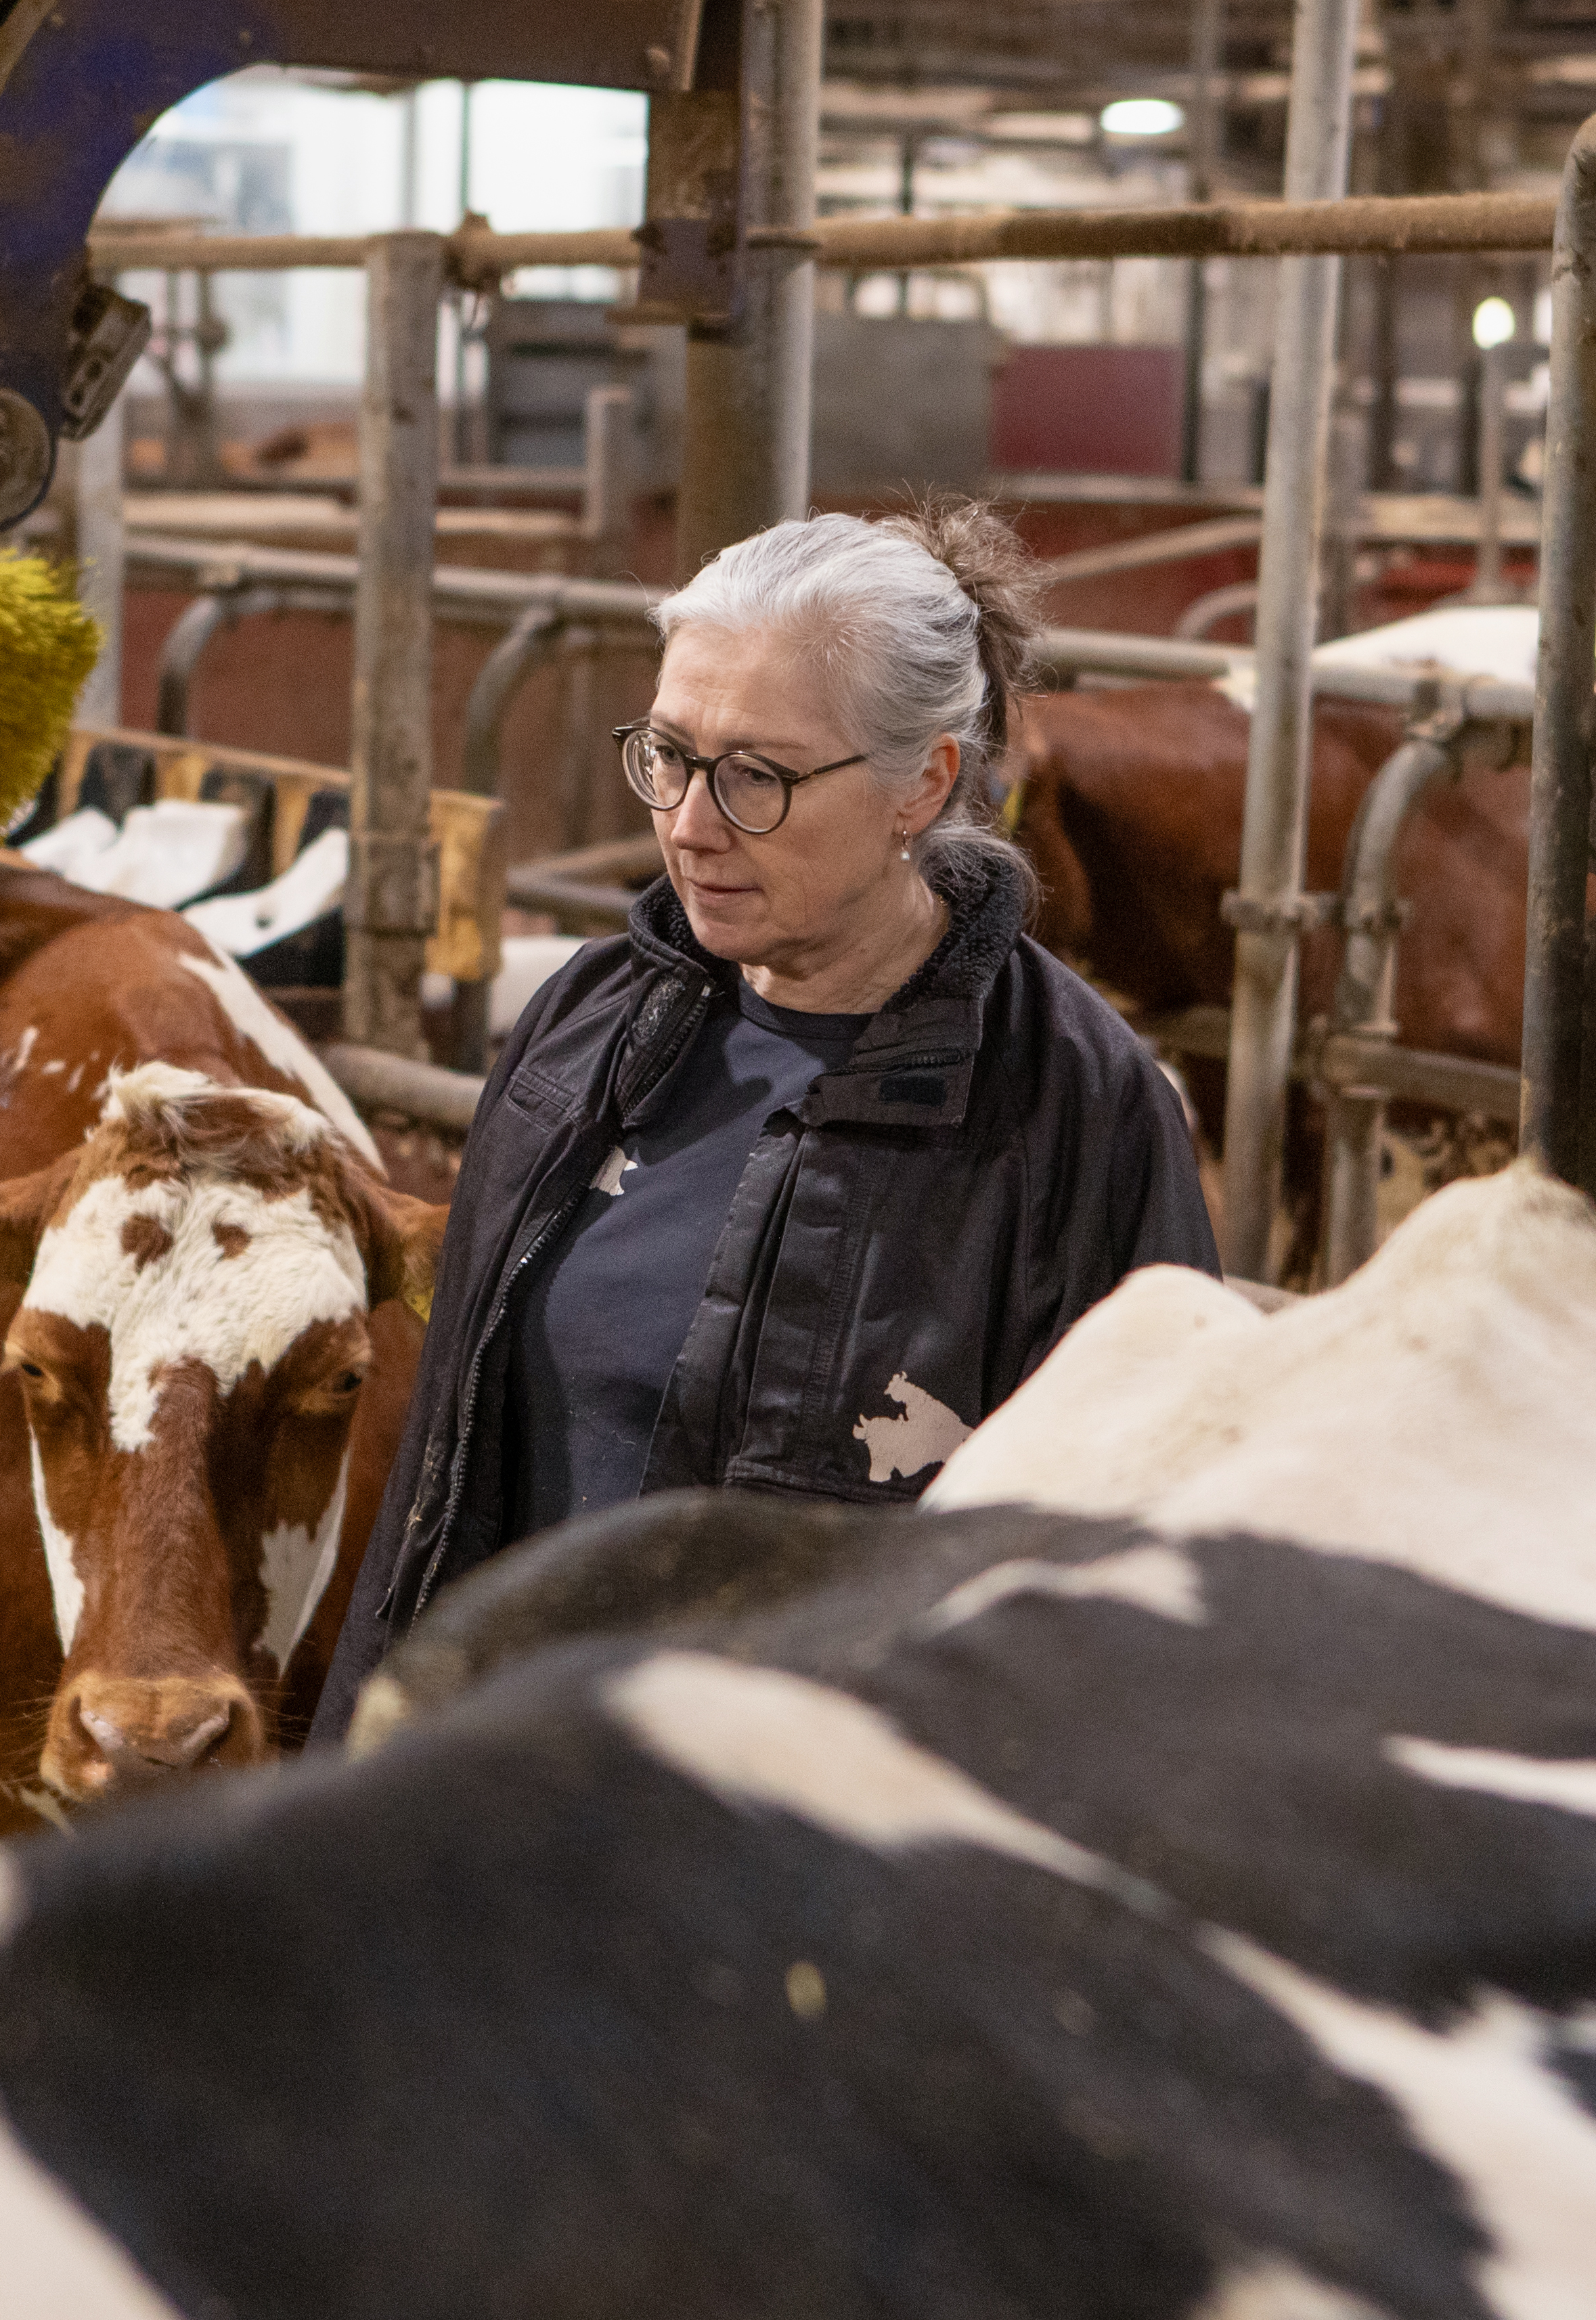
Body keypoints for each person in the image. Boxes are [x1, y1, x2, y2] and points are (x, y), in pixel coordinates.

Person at [317, 504, 1217, 1726]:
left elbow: (1126, 1571)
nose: (689, 825)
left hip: (808, 1849)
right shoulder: (585, 1025)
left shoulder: (1076, 1114)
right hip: (502, 1788)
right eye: (670, 757)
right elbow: (442, 1465)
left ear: (922, 785)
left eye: (756, 777)